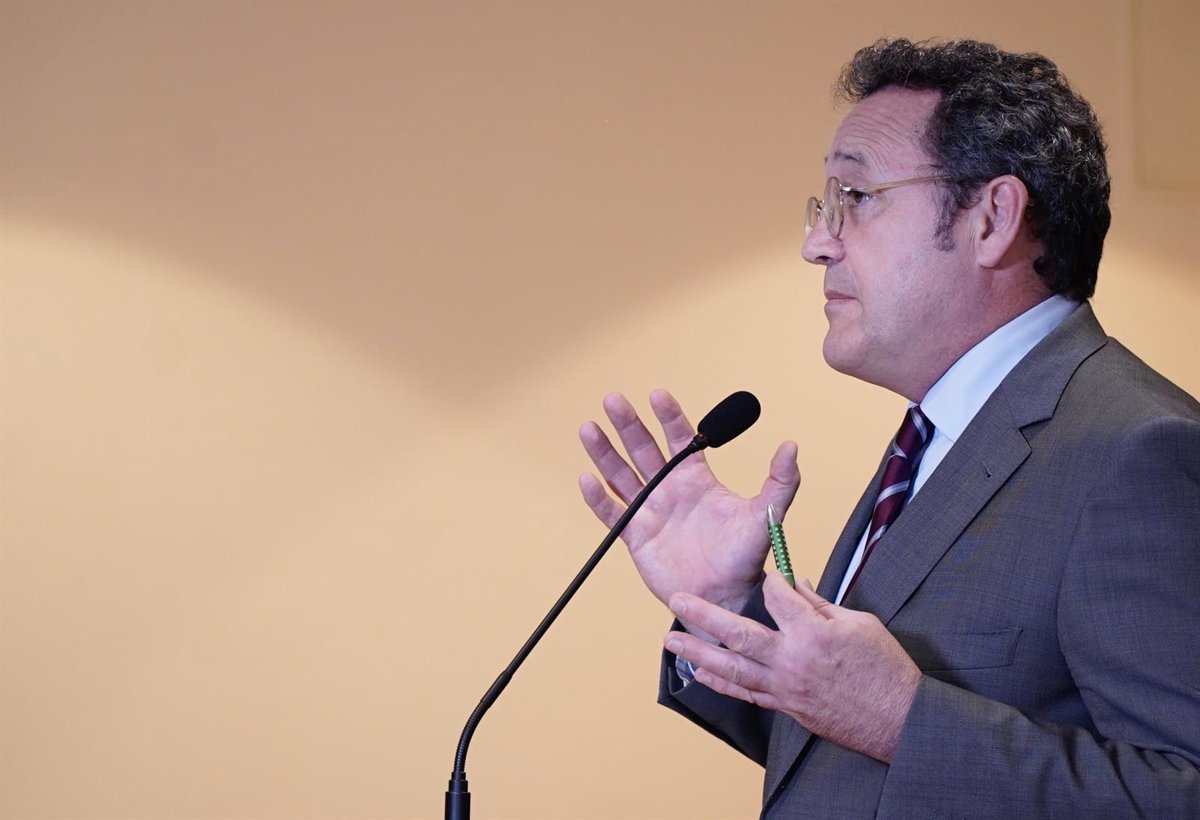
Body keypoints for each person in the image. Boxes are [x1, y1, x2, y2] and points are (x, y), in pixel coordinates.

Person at [578, 39, 1200, 818]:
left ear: (993, 219)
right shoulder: (940, 432)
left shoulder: (1137, 451)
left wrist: (905, 719)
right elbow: (851, 762)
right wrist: (730, 608)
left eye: (856, 196)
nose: (817, 243)